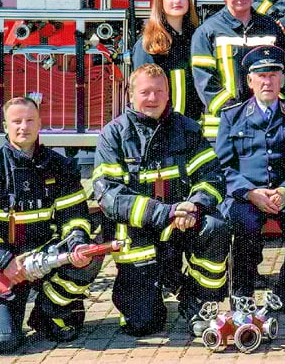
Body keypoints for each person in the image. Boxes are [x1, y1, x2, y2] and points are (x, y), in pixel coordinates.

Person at [93, 64, 229, 337]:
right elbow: (109, 197)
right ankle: (148, 297)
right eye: (145, 92)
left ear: (169, 94)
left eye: (159, 91)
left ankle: (198, 302)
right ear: (130, 94)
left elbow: (212, 177)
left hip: (184, 223)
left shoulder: (188, 129)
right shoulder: (114, 135)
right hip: (138, 231)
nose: (152, 98)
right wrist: (167, 212)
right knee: (143, 325)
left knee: (215, 227)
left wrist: (195, 205)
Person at [0, 97, 100, 351]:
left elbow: (75, 215)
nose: (23, 127)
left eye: (29, 120)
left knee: (90, 254)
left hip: (43, 259)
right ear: (5, 126)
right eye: (17, 121)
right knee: (3, 341)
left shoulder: (57, 166)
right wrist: (5, 262)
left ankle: (48, 314)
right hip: (1, 269)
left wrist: (77, 242)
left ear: (40, 124)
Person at [217, 46, 285, 318]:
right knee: (245, 223)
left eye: (273, 74)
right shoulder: (231, 116)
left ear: (282, 79)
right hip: (246, 196)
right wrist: (250, 193)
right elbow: (223, 166)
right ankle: (242, 292)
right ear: (250, 81)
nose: (267, 81)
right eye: (260, 75)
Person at [191, 0, 285, 139]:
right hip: (222, 128)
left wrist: (267, 108)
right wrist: (237, 113)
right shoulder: (207, 32)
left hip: (266, 125)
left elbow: (282, 73)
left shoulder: (270, 28)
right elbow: (205, 83)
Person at [132, 0, 203, 121]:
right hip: (161, 127)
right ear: (160, 2)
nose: (177, 1)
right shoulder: (148, 44)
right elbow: (144, 95)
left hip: (192, 127)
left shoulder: (197, 39)